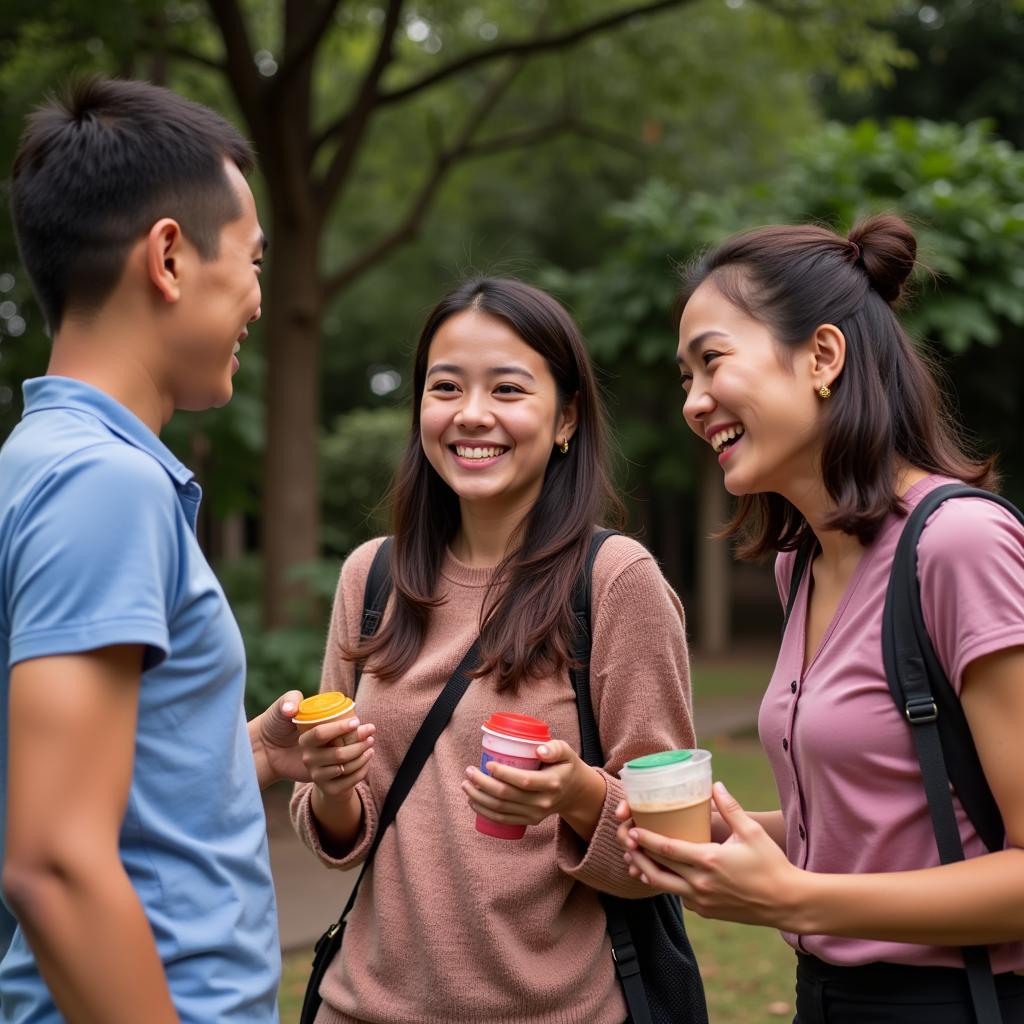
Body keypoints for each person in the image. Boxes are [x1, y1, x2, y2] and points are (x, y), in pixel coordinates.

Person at [617, 214, 1024, 1022]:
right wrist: (726, 837)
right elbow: (870, 824)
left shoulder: (959, 544)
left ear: (823, 357)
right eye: (684, 377)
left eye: (713, 362)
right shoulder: (800, 561)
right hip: (829, 1001)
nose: (695, 403)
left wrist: (796, 900)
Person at [290, 276, 696, 1024]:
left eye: (508, 389)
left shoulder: (614, 582)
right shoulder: (371, 577)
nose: (472, 415)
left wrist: (575, 794)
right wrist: (331, 783)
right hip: (362, 1008)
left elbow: (671, 849)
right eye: (446, 388)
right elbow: (343, 832)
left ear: (566, 416)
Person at [0, 77, 314, 1023]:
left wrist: (242, 752)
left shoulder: (39, 462)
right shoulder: (105, 486)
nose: (260, 297)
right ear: (170, 258)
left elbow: (81, 769)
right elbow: (53, 862)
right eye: (254, 262)